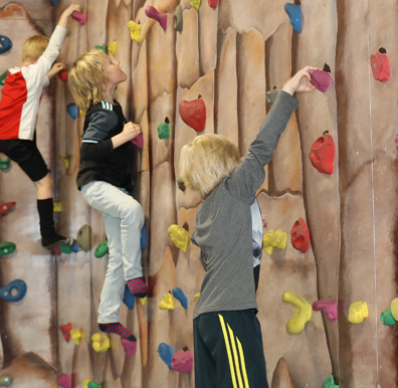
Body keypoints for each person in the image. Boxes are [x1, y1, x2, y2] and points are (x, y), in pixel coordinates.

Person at [179, 66, 316, 388]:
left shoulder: (205, 213)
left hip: (206, 319)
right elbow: (261, 148)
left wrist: (250, 224)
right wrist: (289, 90)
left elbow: (216, 257)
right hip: (231, 315)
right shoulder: (234, 190)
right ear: (227, 168)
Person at [68, 49, 146, 343]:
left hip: (112, 186)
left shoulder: (112, 104)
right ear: (101, 78)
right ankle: (133, 274)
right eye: (111, 63)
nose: (118, 63)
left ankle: (107, 317)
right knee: (133, 211)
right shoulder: (102, 110)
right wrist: (123, 136)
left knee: (115, 253)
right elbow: (88, 150)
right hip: (96, 184)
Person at [0, 4, 81, 248]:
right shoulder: (32, 73)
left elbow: (34, 88)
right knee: (44, 182)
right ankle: (48, 234)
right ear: (40, 58)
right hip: (15, 138)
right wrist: (65, 16)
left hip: (9, 137)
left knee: (40, 182)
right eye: (47, 60)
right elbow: (54, 46)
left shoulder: (17, 73)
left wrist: (50, 75)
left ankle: (48, 233)